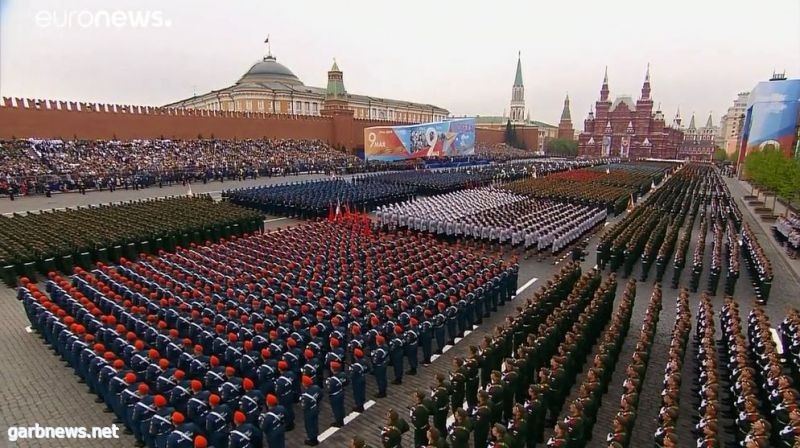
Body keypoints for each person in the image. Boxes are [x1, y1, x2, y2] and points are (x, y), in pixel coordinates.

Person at [300, 375, 322, 446]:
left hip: (309, 411)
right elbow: (321, 395)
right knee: (315, 424)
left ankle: (312, 440)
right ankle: (315, 438)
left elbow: (303, 406)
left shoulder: (305, 396)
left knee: (309, 425)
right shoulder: (316, 388)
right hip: (315, 408)